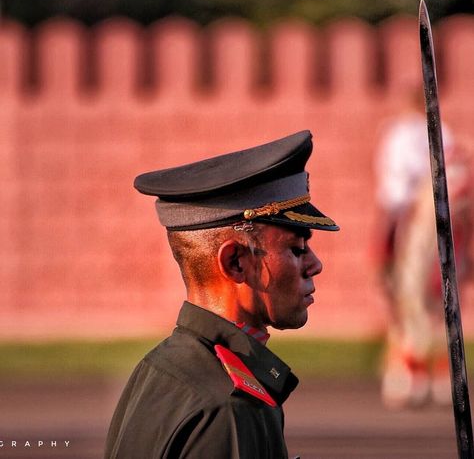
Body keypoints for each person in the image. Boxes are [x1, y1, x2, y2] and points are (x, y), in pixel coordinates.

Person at [104, 130, 339, 458]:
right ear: (236, 262)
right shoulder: (230, 408)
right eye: (297, 248)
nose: (315, 264)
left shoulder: (160, 365)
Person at [374, 87, 473, 408]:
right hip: (438, 217)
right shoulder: (441, 131)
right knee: (440, 294)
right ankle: (438, 375)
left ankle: (412, 373)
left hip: (414, 213)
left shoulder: (401, 133)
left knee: (408, 292)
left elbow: (394, 184)